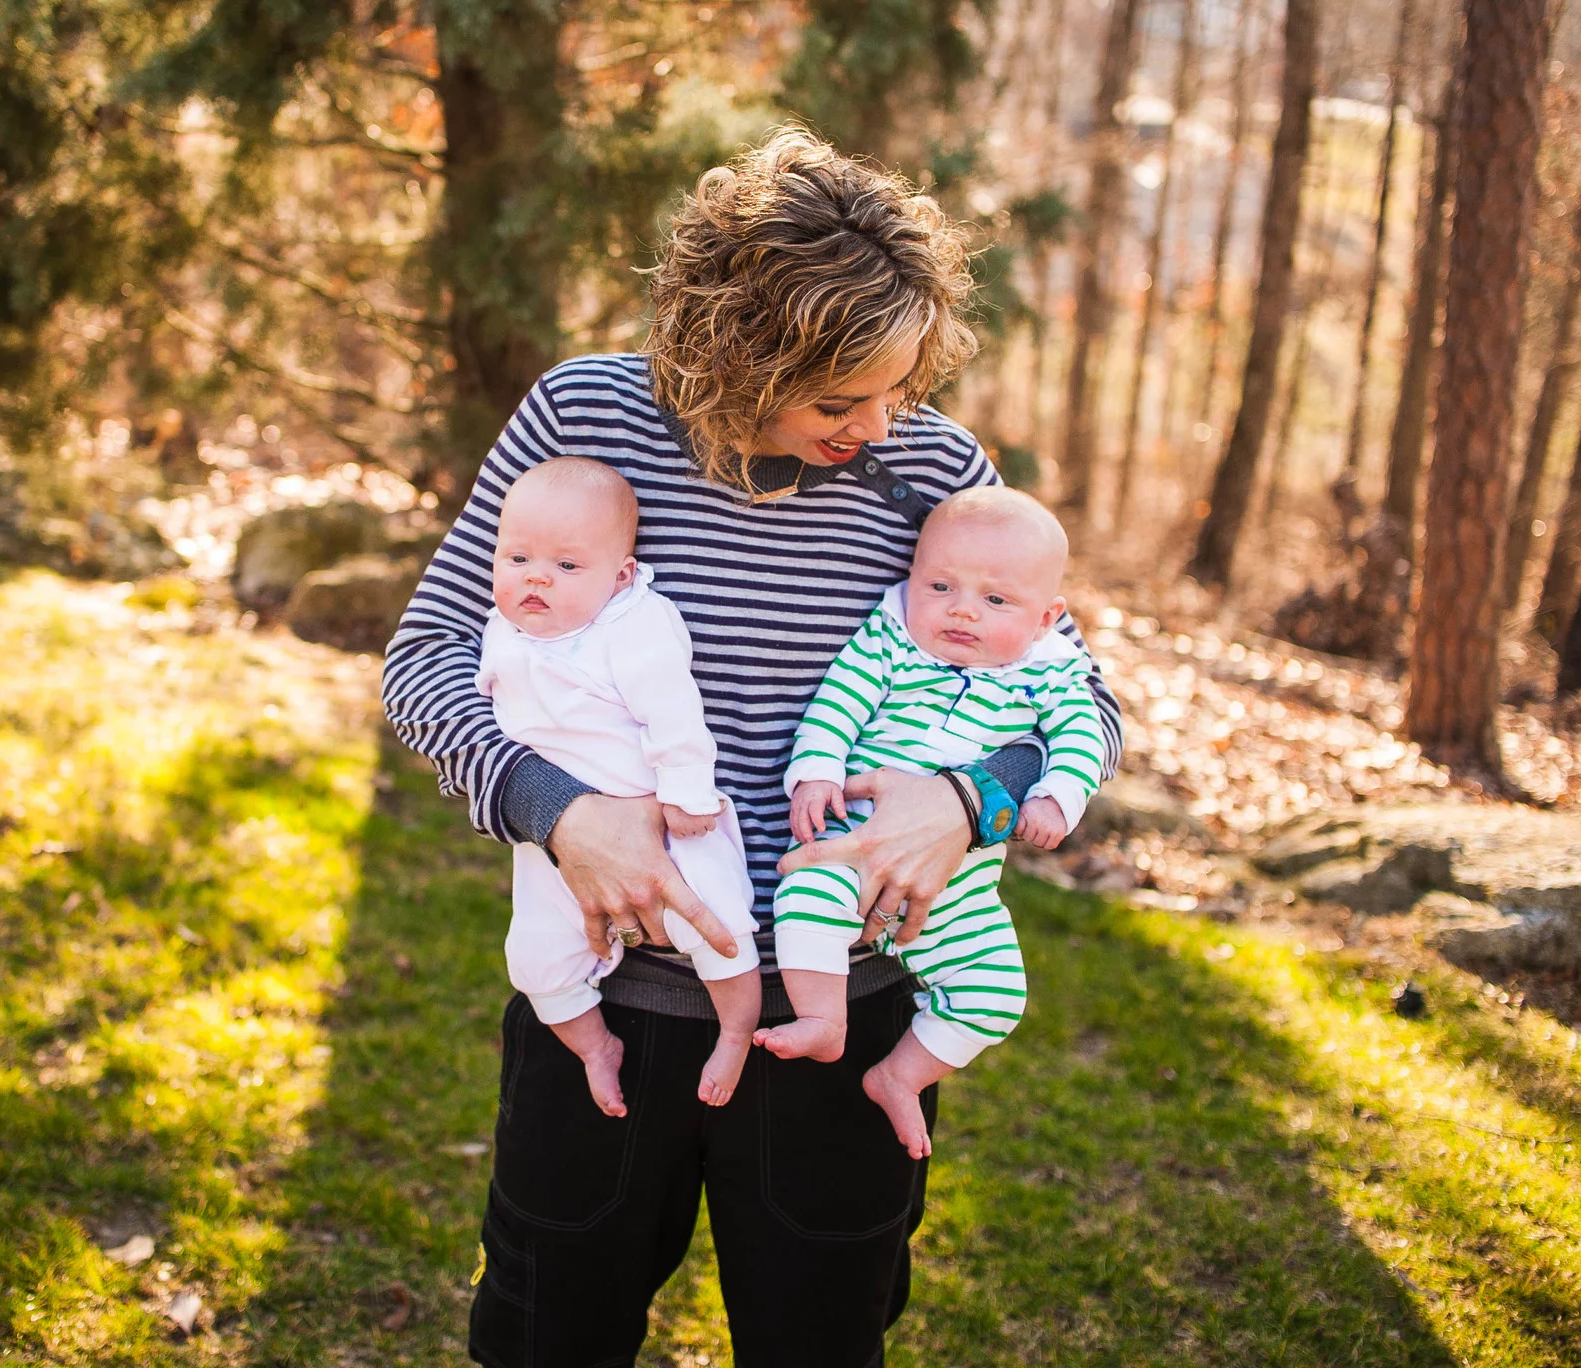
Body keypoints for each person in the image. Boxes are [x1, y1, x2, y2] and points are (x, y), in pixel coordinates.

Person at [383, 128, 1121, 1368]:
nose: (879, 424)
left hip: (851, 1014)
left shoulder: (930, 467)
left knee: (823, 1337)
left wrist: (970, 799)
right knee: (546, 1330)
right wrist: (555, 807)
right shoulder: (585, 418)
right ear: (734, 353)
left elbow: (1078, 696)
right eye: (840, 398)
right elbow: (427, 657)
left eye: (899, 383)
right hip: (615, 999)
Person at [758, 484, 1105, 1160]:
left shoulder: (1052, 672)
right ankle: (824, 1018)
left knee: (995, 993)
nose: (962, 611)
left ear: (1046, 617)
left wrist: (1056, 796)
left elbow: (1083, 738)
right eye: (940, 585)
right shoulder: (889, 643)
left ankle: (901, 1074)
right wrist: (817, 771)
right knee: (806, 893)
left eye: (995, 600)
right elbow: (836, 705)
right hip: (851, 842)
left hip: (961, 886)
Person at [477, 455, 764, 1114]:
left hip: (665, 818)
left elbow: (672, 709)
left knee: (716, 923)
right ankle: (594, 1047)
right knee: (537, 958)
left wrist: (687, 787)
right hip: (551, 836)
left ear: (622, 575)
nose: (537, 577)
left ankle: (736, 1028)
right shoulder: (506, 627)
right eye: (516, 558)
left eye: (568, 567)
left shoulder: (632, 624)